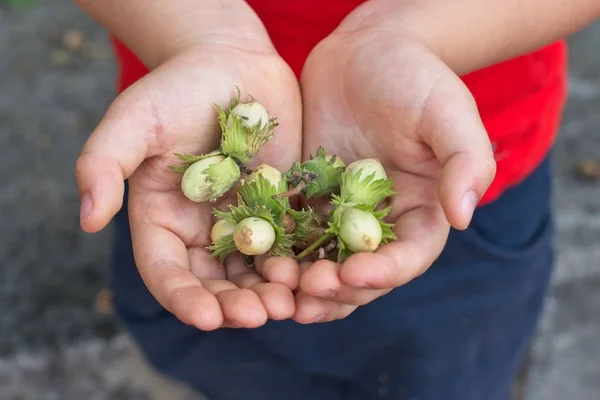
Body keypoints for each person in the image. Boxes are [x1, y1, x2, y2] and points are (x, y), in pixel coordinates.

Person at [73, 1, 600, 399]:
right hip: (192, 139)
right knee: (220, 358)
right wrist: (198, 35)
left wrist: (408, 35)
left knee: (441, 373)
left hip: (430, 172)